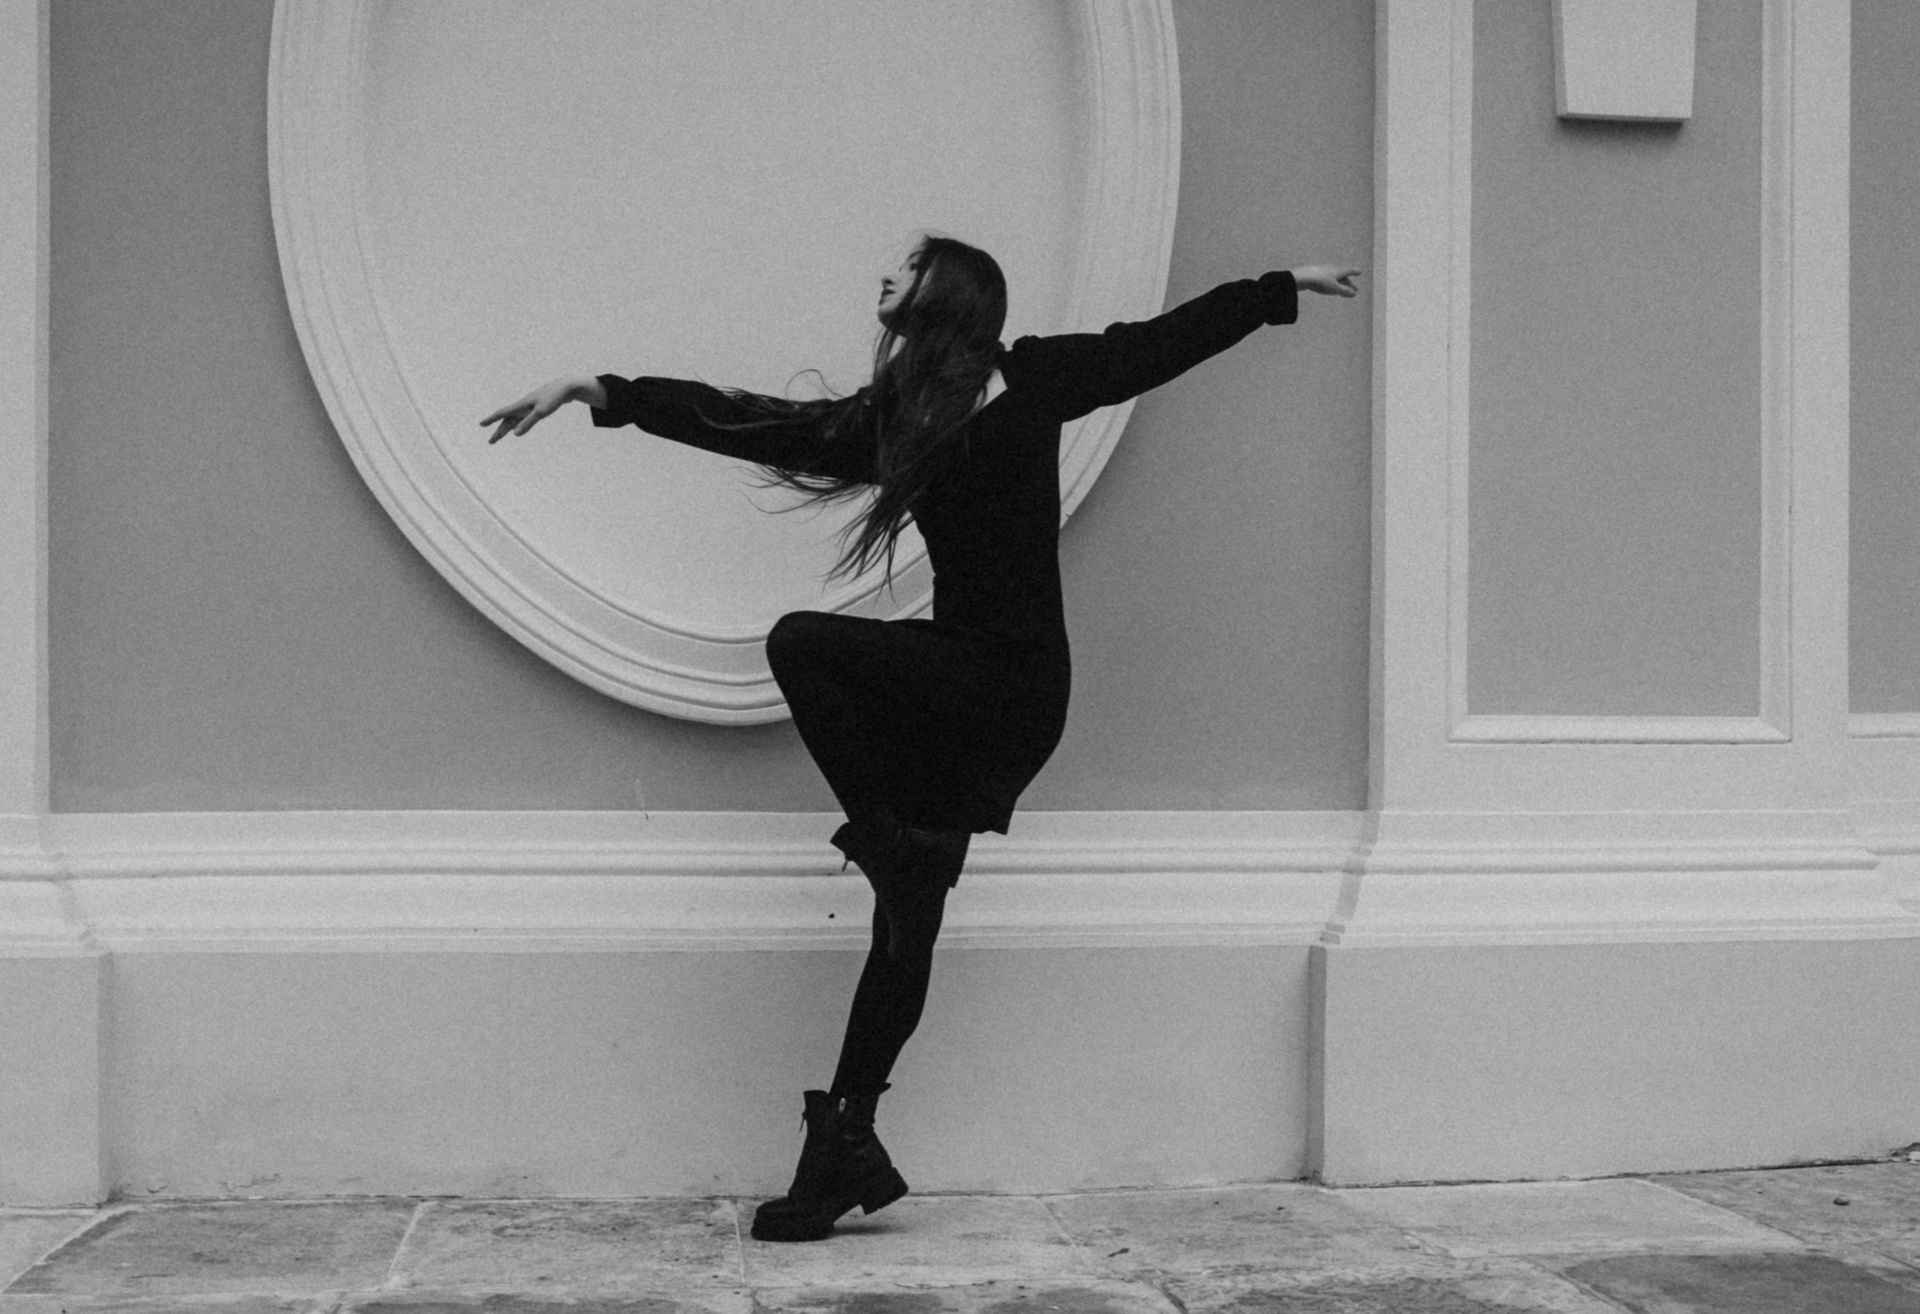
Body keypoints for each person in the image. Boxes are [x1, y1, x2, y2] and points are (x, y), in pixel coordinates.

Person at [482, 236, 1361, 1242]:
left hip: (1015, 687)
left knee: (803, 644)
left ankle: (887, 843)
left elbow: (1157, 344)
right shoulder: (899, 421)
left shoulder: (1039, 379)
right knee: (904, 928)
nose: (885, 275)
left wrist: (1275, 290)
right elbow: (760, 422)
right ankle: (843, 1147)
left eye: (906, 265)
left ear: (951, 292)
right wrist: (606, 393)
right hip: (947, 687)